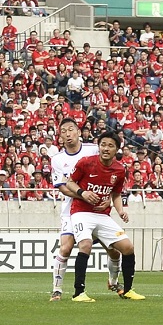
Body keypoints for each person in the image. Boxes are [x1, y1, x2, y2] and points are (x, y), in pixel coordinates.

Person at [63, 131, 144, 302]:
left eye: (110, 146)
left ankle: (128, 290)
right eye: (103, 145)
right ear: (99, 146)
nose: (106, 148)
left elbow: (115, 195)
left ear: (116, 150)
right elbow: (69, 182)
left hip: (102, 215)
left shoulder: (120, 170)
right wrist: (83, 193)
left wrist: (120, 210)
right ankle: (79, 293)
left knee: (128, 247)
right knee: (85, 245)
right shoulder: (86, 163)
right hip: (81, 212)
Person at [49, 118, 121, 302]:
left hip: (98, 210)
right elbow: (63, 187)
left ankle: (113, 281)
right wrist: (84, 195)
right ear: (60, 135)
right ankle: (56, 290)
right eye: (63, 131)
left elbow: (112, 174)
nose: (67, 133)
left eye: (71, 129)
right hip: (72, 209)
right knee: (65, 248)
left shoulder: (94, 149)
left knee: (114, 249)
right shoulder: (57, 159)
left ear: (79, 132)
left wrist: (109, 200)